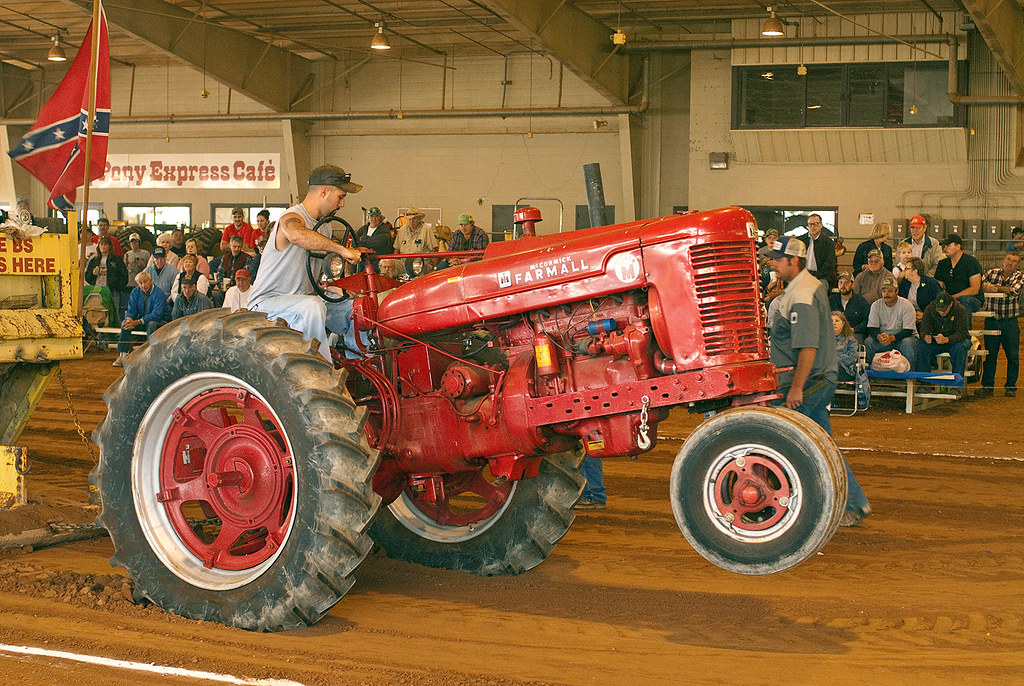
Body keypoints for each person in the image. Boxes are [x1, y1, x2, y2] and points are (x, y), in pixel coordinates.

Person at [766, 236, 870, 526]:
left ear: (794, 260)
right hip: (816, 379)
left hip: (807, 381)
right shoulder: (804, 287)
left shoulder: (802, 293)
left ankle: (780, 508)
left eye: (778, 258)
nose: (772, 263)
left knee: (786, 442)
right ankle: (853, 503)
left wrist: (797, 387)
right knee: (822, 445)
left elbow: (807, 346)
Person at [246, 164, 366, 361]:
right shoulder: (291, 217)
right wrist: (342, 249)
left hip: (302, 300)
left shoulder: (325, 228)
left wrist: (336, 287)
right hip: (267, 304)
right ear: (324, 192)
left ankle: (364, 368)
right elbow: (296, 234)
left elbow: (313, 277)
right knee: (312, 306)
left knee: (356, 309)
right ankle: (319, 372)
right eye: (340, 197)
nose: (342, 204)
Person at [979, 251, 1024, 396]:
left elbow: (1014, 290)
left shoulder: (1019, 276)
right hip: (991, 320)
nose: (1010, 263)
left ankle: (1011, 387)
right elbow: (977, 283)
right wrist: (985, 287)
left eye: (1014, 261)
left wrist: (993, 287)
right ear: (1004, 260)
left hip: (1009, 322)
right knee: (990, 355)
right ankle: (987, 386)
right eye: (1009, 259)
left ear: (1018, 264)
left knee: (1013, 356)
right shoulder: (991, 272)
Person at [113, 272, 169, 368]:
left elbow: (157, 315)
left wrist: (137, 322)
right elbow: (131, 310)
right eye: (140, 283)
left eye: (145, 282)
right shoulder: (135, 292)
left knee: (152, 324)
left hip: (160, 322)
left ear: (151, 281)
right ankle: (123, 355)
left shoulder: (159, 293)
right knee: (125, 323)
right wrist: (129, 319)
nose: (143, 285)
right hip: (142, 321)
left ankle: (151, 356)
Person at [864, 276, 918, 368]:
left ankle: (910, 374)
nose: (886, 294)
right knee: (868, 342)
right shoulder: (876, 305)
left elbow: (908, 331)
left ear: (897, 291)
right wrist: (879, 337)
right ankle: (869, 372)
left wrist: (891, 338)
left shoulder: (906, 305)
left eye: (890, 291)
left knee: (907, 343)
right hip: (883, 339)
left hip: (902, 339)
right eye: (884, 291)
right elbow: (872, 328)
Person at [916, 291, 970, 377]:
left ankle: (957, 381)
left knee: (961, 347)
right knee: (921, 346)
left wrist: (947, 339)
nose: (941, 312)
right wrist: (925, 336)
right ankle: (924, 380)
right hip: (936, 341)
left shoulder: (960, 310)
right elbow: (924, 329)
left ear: (951, 304)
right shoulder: (930, 309)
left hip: (955, 341)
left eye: (944, 309)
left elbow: (962, 333)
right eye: (939, 309)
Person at [934, 233, 983, 315]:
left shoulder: (971, 262)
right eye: (944, 246)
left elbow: (974, 289)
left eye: (948, 246)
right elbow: (938, 286)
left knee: (963, 301)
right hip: (950, 299)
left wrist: (953, 297)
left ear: (958, 246)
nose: (945, 248)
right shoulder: (943, 264)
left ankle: (964, 323)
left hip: (972, 299)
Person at [85, 236, 129, 318]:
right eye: (101, 244)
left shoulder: (116, 260)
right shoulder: (94, 260)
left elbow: (124, 276)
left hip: (112, 292)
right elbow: (87, 277)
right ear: (98, 246)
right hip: (97, 292)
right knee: (97, 315)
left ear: (110, 246)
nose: (103, 246)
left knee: (113, 315)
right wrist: (93, 273)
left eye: (105, 244)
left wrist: (117, 287)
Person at [394, 207, 438, 277]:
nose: (411, 221)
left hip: (421, 262)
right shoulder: (402, 230)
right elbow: (396, 249)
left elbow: (434, 250)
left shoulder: (426, 230)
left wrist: (434, 268)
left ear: (419, 219)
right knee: (386, 263)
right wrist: (394, 261)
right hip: (404, 262)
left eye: (414, 219)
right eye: (409, 219)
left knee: (416, 266)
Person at [829, 272, 870, 341]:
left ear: (853, 285)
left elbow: (866, 321)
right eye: (840, 282)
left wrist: (854, 329)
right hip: (833, 333)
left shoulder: (861, 302)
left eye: (846, 283)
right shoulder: (831, 300)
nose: (843, 285)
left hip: (854, 333)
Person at [801, 213, 837, 286]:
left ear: (821, 225)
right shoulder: (801, 240)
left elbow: (829, 264)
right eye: (810, 224)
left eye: (815, 224)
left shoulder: (828, 242)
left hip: (821, 277)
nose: (812, 227)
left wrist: (816, 276)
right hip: (802, 275)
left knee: (819, 290)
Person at [355, 207, 394, 272]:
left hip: (378, 261)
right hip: (362, 261)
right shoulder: (363, 229)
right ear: (368, 218)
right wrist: (369, 244)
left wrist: (363, 239)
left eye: (376, 216)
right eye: (371, 217)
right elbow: (354, 242)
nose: (374, 219)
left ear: (380, 218)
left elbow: (380, 242)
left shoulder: (384, 229)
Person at [833, 310, 859, 382]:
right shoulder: (824, 339)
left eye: (837, 321)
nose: (834, 323)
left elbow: (852, 358)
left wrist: (834, 358)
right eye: (831, 321)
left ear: (843, 323)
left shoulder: (851, 340)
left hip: (845, 370)